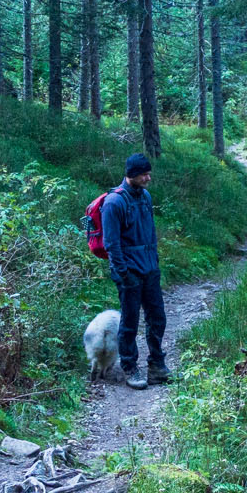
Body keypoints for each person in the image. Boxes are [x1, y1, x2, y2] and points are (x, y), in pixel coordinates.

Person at [100, 152, 168, 389]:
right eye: (143, 174)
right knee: (130, 321)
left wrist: (155, 262)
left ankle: (157, 365)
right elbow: (111, 243)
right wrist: (123, 272)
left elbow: (149, 232)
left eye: (149, 173)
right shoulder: (114, 203)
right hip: (129, 273)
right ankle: (129, 367)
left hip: (150, 269)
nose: (148, 178)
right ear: (131, 175)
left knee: (157, 318)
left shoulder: (145, 197)